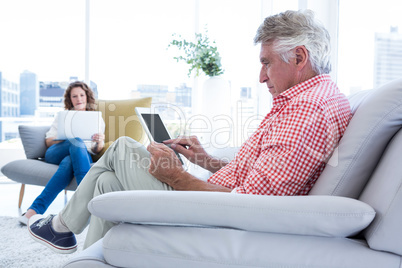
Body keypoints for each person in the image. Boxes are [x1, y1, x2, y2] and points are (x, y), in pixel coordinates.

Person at [28, 9, 352, 254]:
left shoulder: (308, 109)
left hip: (212, 213)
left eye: (266, 63)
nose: (260, 77)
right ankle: (90, 257)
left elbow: (254, 203)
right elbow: (256, 178)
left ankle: (61, 226)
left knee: (123, 147)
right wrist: (205, 160)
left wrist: (178, 178)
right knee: (107, 182)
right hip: (213, 199)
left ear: (299, 57)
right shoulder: (305, 100)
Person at [18, 81, 105, 225]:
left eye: (82, 95)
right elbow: (48, 141)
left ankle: (33, 211)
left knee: (69, 161)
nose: (79, 99)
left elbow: (97, 149)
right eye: (74, 96)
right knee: (75, 141)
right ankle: (87, 200)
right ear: (70, 99)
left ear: (87, 97)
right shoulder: (63, 116)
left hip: (81, 156)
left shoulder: (96, 118)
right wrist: (67, 138)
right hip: (56, 152)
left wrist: (99, 141)